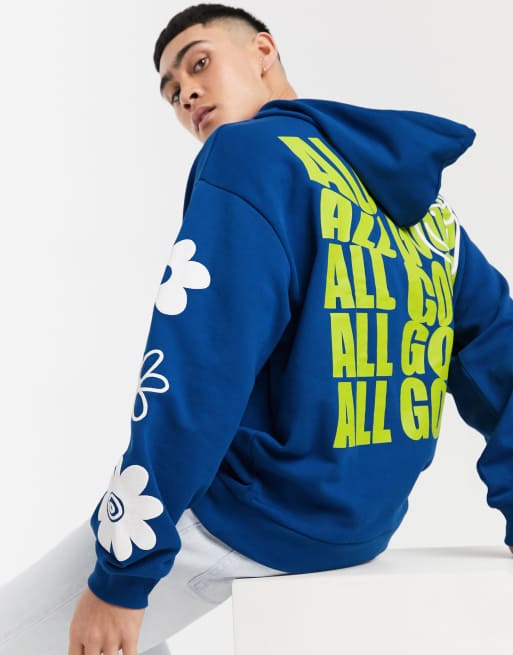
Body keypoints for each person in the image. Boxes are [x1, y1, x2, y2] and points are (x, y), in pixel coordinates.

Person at [1, 3, 512, 654]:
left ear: (263, 51)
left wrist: (124, 575)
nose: (186, 93)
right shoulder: (423, 207)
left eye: (199, 63)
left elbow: (197, 365)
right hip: (359, 527)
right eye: (171, 91)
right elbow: (500, 355)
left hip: (247, 517)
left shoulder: (247, 155)